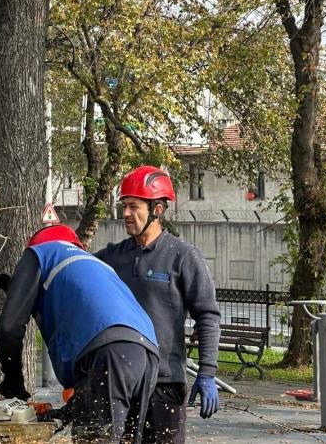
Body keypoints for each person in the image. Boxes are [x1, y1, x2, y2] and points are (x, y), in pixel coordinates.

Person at [0, 224, 159, 443]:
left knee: (94, 438)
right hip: (147, 352)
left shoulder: (40, 253)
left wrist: (14, 385)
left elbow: (9, 327)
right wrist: (69, 411)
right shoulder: (93, 266)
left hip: (110, 349)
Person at [93, 165, 222, 443]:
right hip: (123, 384)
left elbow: (207, 315)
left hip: (165, 382)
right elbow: (77, 273)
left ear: (158, 209)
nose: (125, 213)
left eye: (133, 206)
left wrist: (207, 372)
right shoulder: (112, 257)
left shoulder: (183, 256)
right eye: (123, 205)